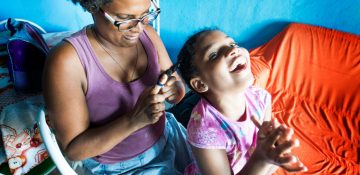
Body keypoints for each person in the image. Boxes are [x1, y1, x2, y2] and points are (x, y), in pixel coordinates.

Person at [42, 0, 193, 174]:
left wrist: (175, 90)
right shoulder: (67, 61)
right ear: (93, 8)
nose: (138, 28)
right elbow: (74, 149)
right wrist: (133, 120)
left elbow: (177, 89)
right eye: (125, 18)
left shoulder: (149, 36)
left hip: (166, 137)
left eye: (146, 14)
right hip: (120, 168)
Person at [177, 29, 308, 175]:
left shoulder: (261, 99)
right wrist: (262, 159)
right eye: (214, 55)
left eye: (233, 44)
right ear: (201, 84)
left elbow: (267, 147)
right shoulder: (205, 130)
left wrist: (276, 151)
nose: (232, 50)